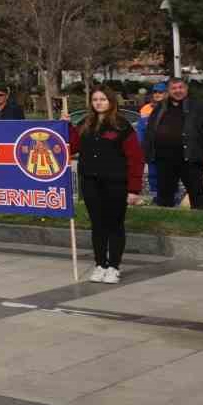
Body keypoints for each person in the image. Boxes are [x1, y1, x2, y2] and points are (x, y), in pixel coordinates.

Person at [66, 87, 144, 282]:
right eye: (95, 100)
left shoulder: (122, 126)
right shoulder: (85, 123)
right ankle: (100, 264)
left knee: (114, 224)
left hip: (115, 182)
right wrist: (66, 127)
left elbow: (135, 158)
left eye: (102, 99)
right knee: (97, 224)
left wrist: (134, 189)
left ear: (111, 101)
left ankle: (113, 266)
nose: (99, 103)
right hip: (90, 181)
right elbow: (72, 146)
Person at [143, 77, 203, 210]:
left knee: (196, 193)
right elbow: (150, 130)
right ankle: (165, 219)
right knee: (164, 195)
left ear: (186, 89)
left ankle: (201, 218)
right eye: (174, 88)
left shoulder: (199, 107)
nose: (178, 91)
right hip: (164, 159)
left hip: (191, 158)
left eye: (181, 87)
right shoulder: (160, 107)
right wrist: (148, 152)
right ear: (168, 91)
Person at [137, 82, 167, 199]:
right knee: (153, 175)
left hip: (166, 149)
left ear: (166, 93)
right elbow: (141, 130)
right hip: (151, 149)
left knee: (168, 175)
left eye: (160, 92)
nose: (157, 94)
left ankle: (171, 198)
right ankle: (156, 198)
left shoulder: (171, 108)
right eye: (155, 92)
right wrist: (140, 147)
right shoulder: (145, 109)